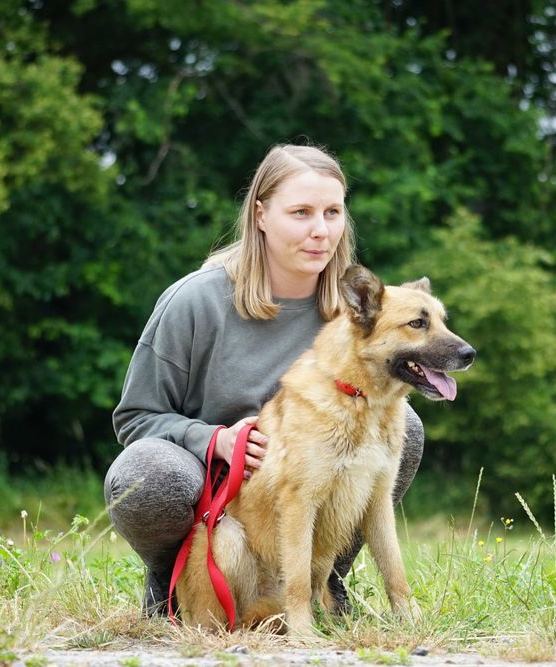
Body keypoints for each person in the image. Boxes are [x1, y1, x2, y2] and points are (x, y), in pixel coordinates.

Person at [104, 144, 424, 617]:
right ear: (260, 215)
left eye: (332, 212)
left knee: (406, 426)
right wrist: (213, 439)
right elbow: (135, 418)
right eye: (300, 212)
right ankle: (171, 587)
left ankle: (323, 580)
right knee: (150, 474)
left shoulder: (354, 313)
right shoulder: (195, 301)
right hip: (214, 487)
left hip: (302, 486)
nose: (321, 230)